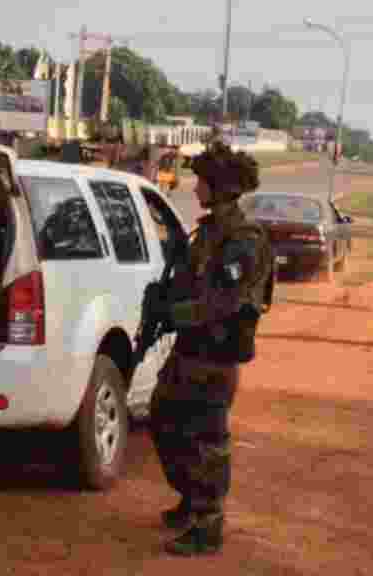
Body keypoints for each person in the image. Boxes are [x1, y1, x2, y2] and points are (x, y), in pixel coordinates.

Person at [148, 140, 274, 556]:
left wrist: (175, 314)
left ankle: (208, 523)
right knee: (164, 418)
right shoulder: (209, 232)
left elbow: (224, 302)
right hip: (190, 350)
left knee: (207, 438)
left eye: (202, 180)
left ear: (219, 187)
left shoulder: (243, 239)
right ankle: (190, 498)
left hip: (215, 353)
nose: (195, 186)